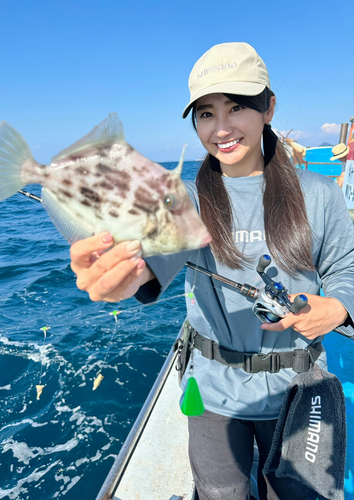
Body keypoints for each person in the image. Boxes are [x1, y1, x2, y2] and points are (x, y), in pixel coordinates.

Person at [70, 43, 354, 500]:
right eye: (205, 114)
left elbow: (347, 267)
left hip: (299, 386)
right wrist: (122, 273)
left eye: (236, 107)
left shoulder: (319, 194)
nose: (220, 128)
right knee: (220, 492)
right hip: (214, 392)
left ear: (269, 107)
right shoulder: (187, 201)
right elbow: (148, 255)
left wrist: (338, 306)